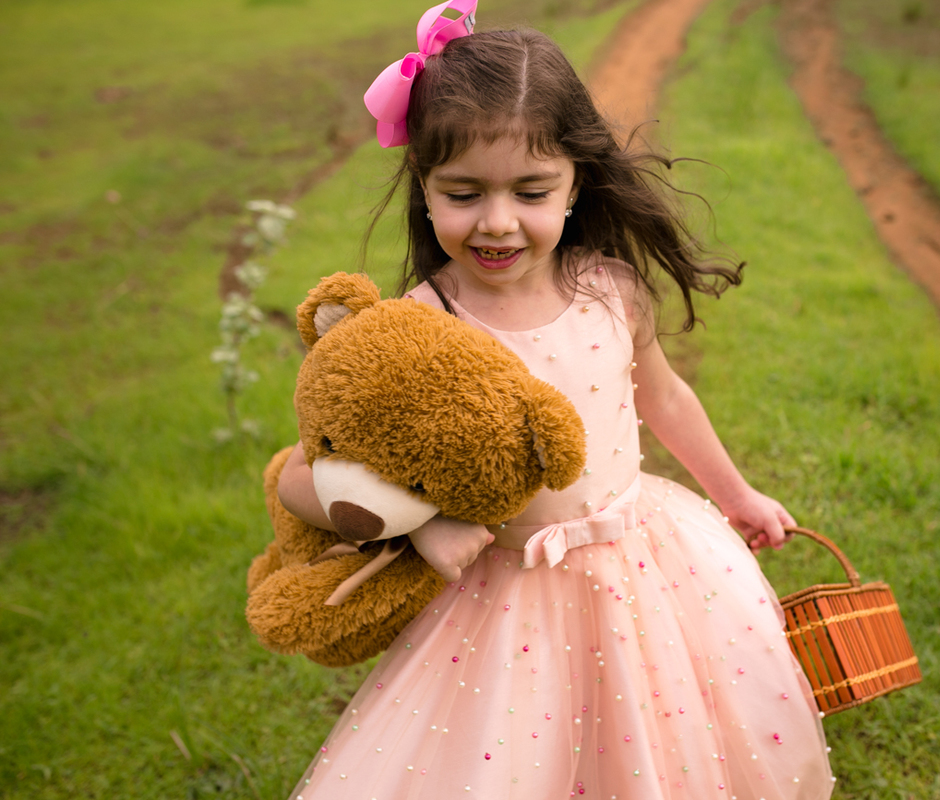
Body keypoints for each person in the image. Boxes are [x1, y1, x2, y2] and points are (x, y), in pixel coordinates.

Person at [276, 2, 834, 796]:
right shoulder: (419, 330)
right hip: (497, 601)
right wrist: (430, 524)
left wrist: (735, 494)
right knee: (512, 758)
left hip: (641, 568)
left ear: (576, 183)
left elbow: (664, 398)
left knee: (654, 742)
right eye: (463, 193)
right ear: (424, 190)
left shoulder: (612, 293)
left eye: (531, 191)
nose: (497, 223)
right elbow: (307, 476)